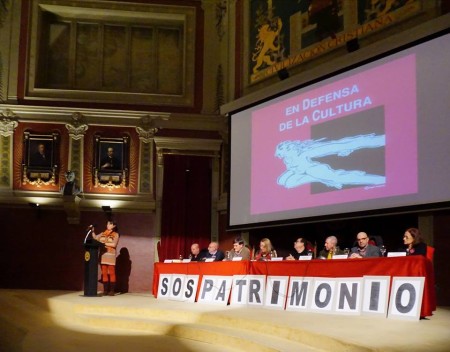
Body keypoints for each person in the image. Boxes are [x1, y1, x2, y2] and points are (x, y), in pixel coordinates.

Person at [275, 133, 386, 189]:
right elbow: (284, 179)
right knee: (283, 182)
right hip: (310, 171)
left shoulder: (308, 151)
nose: (283, 156)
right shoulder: (291, 163)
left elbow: (338, 146)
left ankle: (378, 140)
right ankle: (378, 180)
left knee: (344, 146)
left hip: (310, 168)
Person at [92, 220, 120, 295]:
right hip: (103, 255)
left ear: (114, 226)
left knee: (111, 273)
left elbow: (114, 244)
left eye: (109, 224)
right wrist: (92, 231)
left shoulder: (116, 234)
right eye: (107, 223)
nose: (107, 225)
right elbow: (95, 238)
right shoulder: (102, 233)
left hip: (110, 256)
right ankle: (105, 290)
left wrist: (103, 243)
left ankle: (112, 290)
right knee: (104, 273)